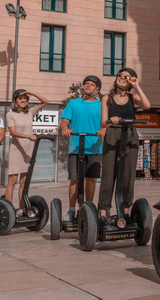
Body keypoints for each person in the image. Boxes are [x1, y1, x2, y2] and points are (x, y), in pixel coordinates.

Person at [98, 67, 151, 223]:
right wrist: (110, 122)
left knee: (128, 175)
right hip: (113, 133)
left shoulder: (133, 97)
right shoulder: (107, 98)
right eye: (120, 75)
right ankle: (103, 211)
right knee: (108, 175)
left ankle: (126, 212)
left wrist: (137, 86)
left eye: (127, 77)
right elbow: (103, 122)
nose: (122, 77)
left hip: (130, 134)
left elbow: (147, 105)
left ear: (131, 81)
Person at [60, 76, 103, 221]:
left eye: (92, 84)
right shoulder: (73, 103)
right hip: (76, 148)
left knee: (91, 179)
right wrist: (65, 128)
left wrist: (104, 131)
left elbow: (105, 125)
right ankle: (71, 210)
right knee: (74, 180)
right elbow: (65, 122)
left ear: (97, 89)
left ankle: (89, 208)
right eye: (86, 84)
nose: (88, 86)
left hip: (95, 147)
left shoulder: (101, 106)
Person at [4, 89, 49, 216]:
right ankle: (8, 209)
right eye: (20, 98)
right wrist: (28, 136)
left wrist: (32, 93)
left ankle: (22, 209)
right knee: (12, 181)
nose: (23, 100)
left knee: (24, 182)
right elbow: (13, 132)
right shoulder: (10, 114)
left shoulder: (30, 112)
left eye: (25, 98)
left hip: (28, 149)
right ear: (15, 100)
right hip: (16, 149)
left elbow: (46, 101)